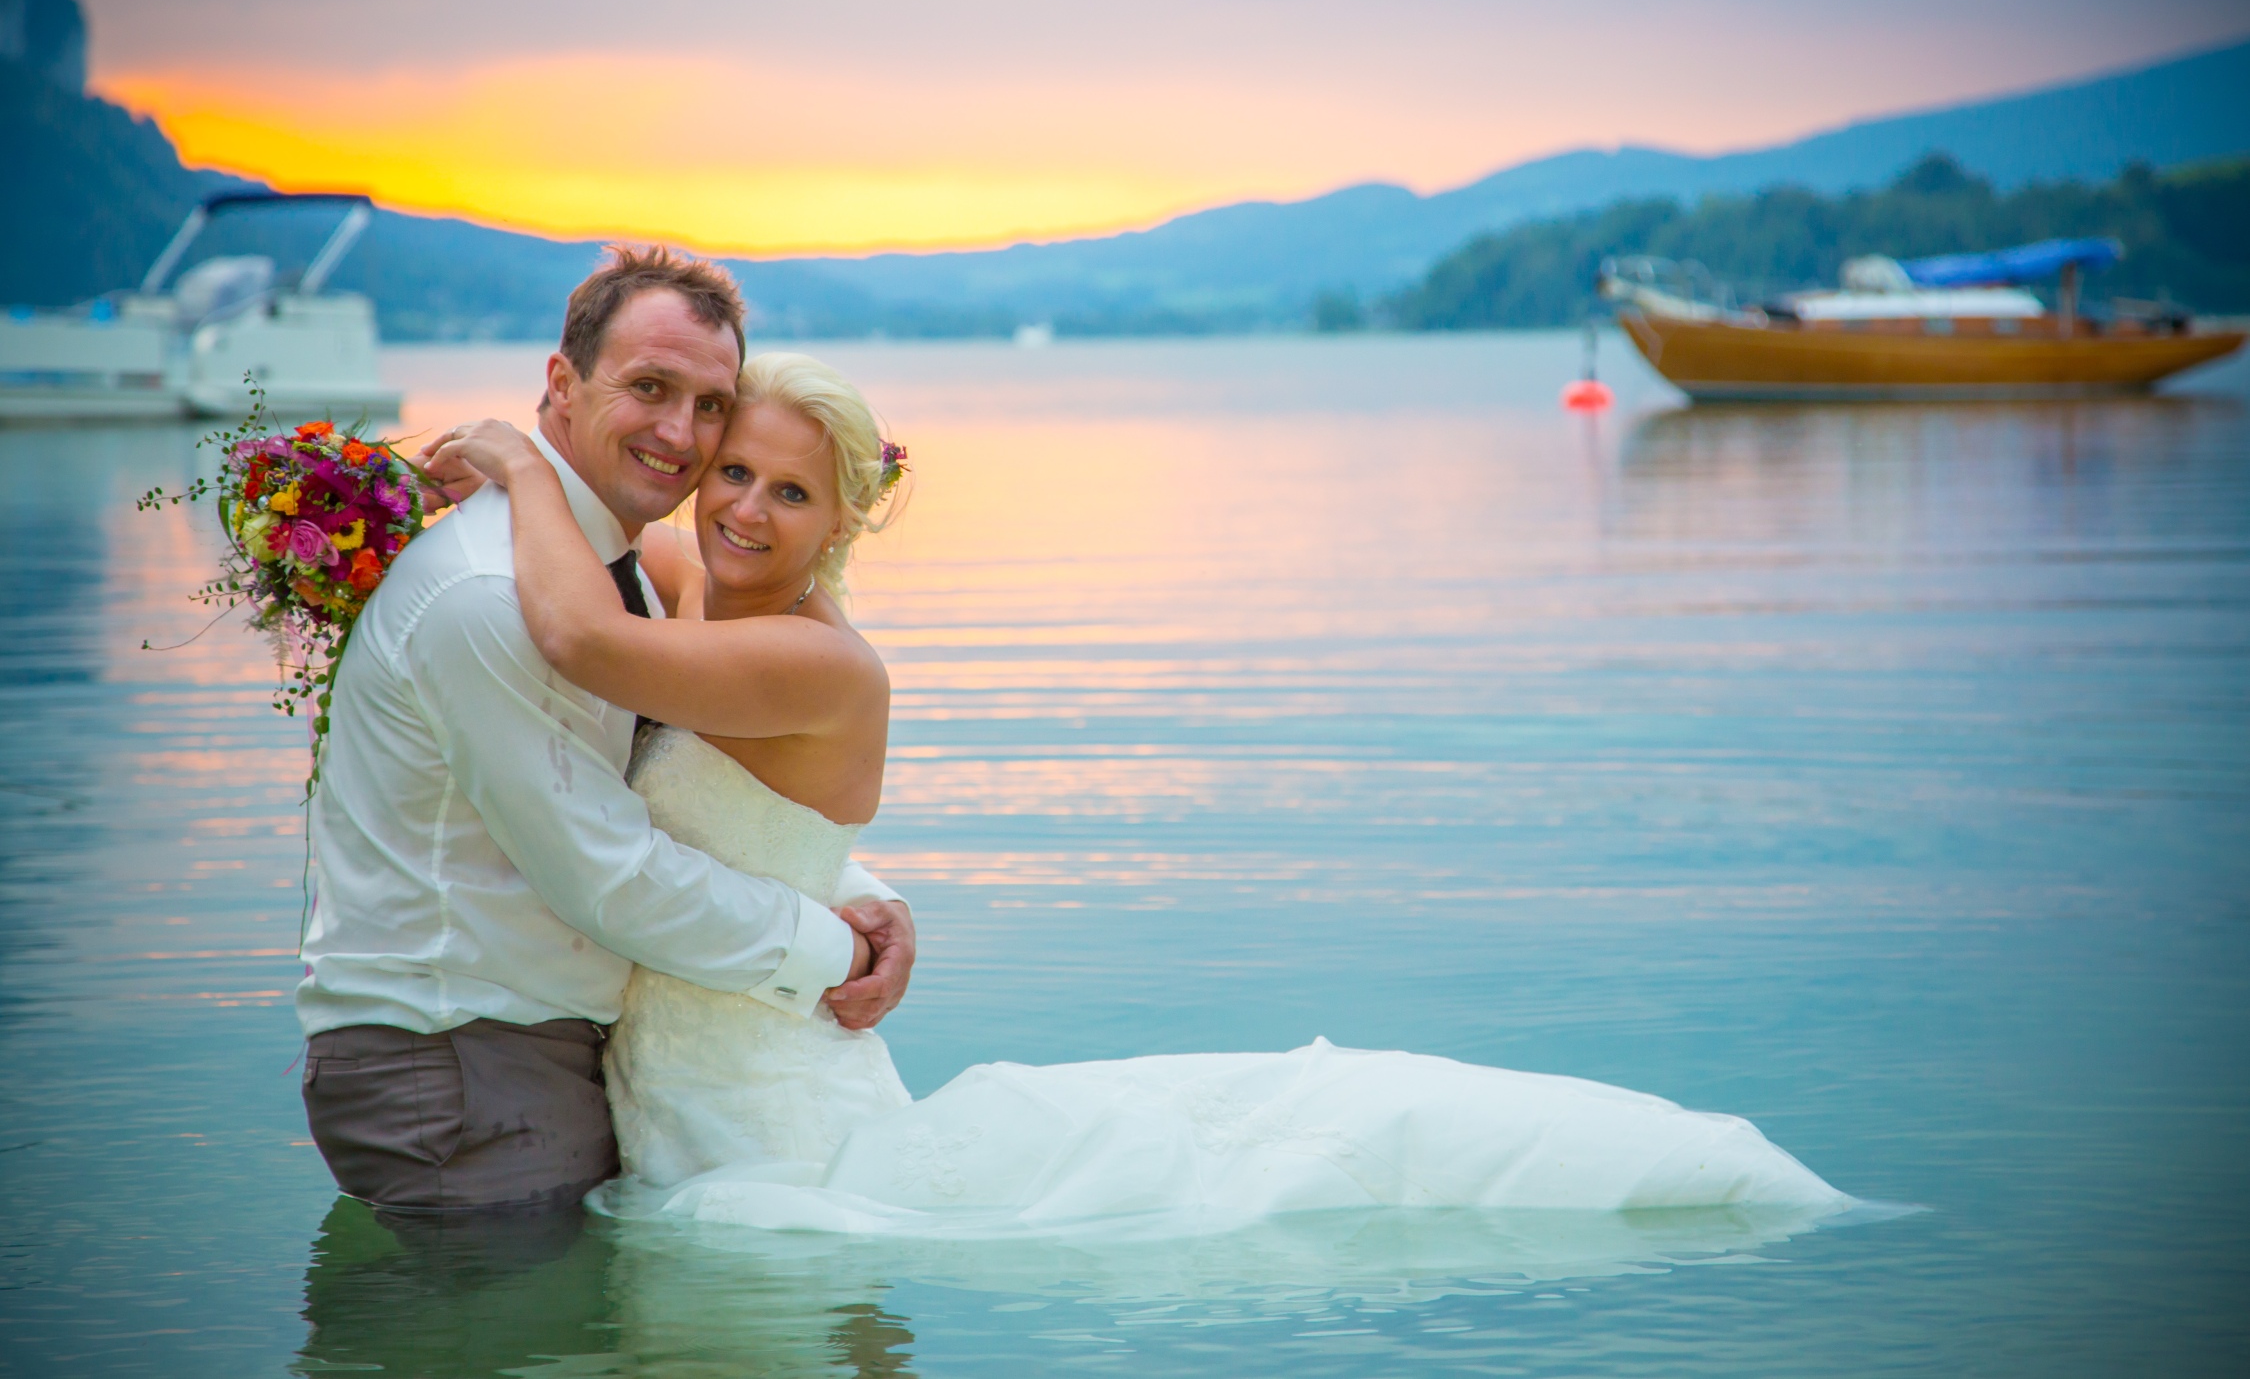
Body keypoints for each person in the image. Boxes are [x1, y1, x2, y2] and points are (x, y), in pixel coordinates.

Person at [424, 353, 1855, 1237]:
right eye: (729, 471)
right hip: (681, 1066)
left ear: (844, 520)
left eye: (787, 495)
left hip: (762, 1106)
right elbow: (630, 563)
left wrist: (506, 459)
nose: (739, 509)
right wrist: (492, 490)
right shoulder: (710, 600)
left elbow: (584, 637)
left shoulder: (816, 664)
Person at [296, 247, 915, 1214]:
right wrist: (838, 950)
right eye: (651, 388)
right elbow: (614, 873)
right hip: (465, 1058)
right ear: (562, 381)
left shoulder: (623, 576)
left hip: (633, 1066)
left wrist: (854, 892)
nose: (684, 436)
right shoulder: (500, 594)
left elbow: (719, 795)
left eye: (709, 406)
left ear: (842, 521)